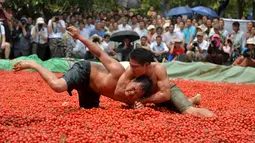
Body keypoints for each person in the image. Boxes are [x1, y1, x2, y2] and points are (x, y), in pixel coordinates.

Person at [13, 26, 152, 109]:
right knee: (58, 86)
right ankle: (34, 64)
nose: (131, 93)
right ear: (132, 80)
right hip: (85, 70)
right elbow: (99, 53)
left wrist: (138, 105)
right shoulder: (118, 72)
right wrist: (80, 36)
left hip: (92, 89)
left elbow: (142, 102)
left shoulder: (130, 99)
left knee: (89, 110)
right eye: (132, 88)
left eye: (135, 94)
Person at [114, 48, 215, 117]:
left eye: (135, 66)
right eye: (131, 64)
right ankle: (193, 99)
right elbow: (118, 91)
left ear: (146, 65)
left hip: (167, 91)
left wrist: (143, 101)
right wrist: (135, 101)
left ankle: (214, 117)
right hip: (151, 97)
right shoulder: (130, 70)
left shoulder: (158, 69)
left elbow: (165, 95)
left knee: (188, 111)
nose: (131, 68)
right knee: (173, 108)